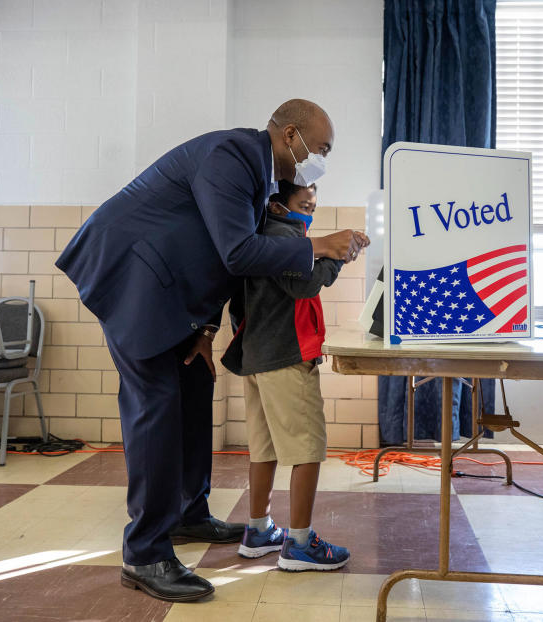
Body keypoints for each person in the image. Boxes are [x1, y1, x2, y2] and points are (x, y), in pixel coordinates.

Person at [55, 99, 368, 602]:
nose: (322, 160)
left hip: (175, 291)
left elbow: (221, 260)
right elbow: (238, 251)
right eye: (322, 148)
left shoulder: (262, 179)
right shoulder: (233, 156)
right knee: (155, 406)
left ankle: (188, 513)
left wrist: (205, 327)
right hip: (132, 276)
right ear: (291, 135)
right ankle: (146, 553)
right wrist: (319, 245)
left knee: (196, 384)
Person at [221, 180, 349, 572]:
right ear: (278, 206)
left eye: (313, 207)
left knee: (265, 448)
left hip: (258, 355)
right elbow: (306, 284)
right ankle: (299, 543)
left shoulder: (257, 237)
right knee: (307, 448)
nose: (309, 214)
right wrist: (338, 257)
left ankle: (258, 530)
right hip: (285, 356)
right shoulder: (283, 236)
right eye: (304, 205)